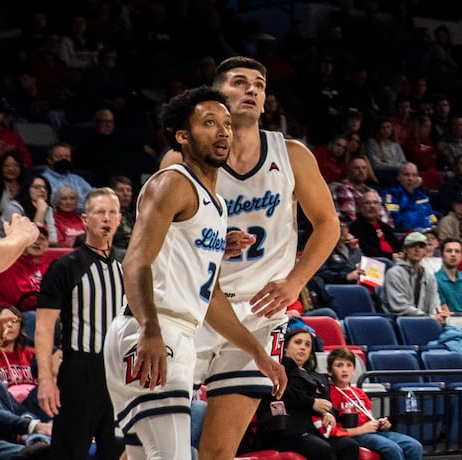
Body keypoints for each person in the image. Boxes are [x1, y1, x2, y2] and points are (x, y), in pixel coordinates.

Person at [166, 57, 340, 460]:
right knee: (150, 443)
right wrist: (207, 241)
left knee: (218, 451)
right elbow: (158, 242)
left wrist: (296, 282)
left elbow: (327, 223)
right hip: (194, 306)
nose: (252, 90)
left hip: (261, 315)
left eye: (259, 85)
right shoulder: (183, 159)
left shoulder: (291, 154)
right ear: (216, 97)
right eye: (240, 82)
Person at [104, 86, 286, 459]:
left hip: (176, 331)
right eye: (209, 123)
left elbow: (212, 299)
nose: (223, 131)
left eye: (226, 124)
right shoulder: (173, 181)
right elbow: (135, 261)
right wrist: (149, 329)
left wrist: (259, 354)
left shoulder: (216, 204)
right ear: (183, 136)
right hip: (155, 330)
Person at [35, 188, 124, 457]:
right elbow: (43, 327)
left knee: (117, 451)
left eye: (111, 212)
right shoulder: (65, 266)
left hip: (118, 372)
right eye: (99, 212)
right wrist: (46, 379)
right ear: (85, 220)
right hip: (80, 371)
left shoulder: (129, 264)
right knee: (69, 452)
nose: (106, 218)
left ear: (120, 219)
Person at [255, 327, 355, 460]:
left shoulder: (320, 377)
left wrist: (328, 413)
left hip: (314, 429)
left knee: (349, 445)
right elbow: (282, 391)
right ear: (285, 347)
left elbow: (328, 403)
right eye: (298, 342)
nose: (303, 347)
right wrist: (312, 403)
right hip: (286, 428)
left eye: (307, 345)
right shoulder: (277, 369)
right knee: (322, 449)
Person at [325, 347, 423, 460]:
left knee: (414, 446)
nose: (344, 369)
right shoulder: (329, 394)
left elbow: (369, 418)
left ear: (354, 370)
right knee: (392, 448)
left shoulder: (358, 392)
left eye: (349, 365)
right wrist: (362, 429)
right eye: (339, 365)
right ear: (330, 371)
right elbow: (332, 430)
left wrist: (381, 423)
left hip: (371, 433)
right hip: (352, 435)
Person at [381, 234, 445, 321]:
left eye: (421, 246)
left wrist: (438, 315)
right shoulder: (394, 274)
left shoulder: (429, 277)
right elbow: (400, 307)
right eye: (413, 246)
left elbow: (435, 304)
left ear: (425, 251)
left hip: (425, 322)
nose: (417, 249)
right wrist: (429, 317)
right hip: (400, 322)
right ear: (405, 249)